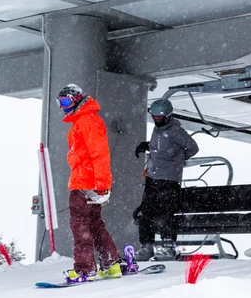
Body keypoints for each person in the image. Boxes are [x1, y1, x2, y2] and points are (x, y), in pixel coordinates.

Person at [56, 84, 122, 283]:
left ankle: (85, 269)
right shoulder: (84, 120)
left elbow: (99, 153)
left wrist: (102, 184)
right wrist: (101, 184)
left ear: (75, 99)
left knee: (80, 225)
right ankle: (111, 264)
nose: (62, 107)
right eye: (59, 103)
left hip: (84, 183)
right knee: (94, 224)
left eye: (65, 101)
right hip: (88, 181)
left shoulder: (86, 120)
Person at [133, 98, 199, 261]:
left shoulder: (176, 131)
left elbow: (192, 147)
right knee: (146, 213)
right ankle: (146, 246)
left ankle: (168, 246)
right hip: (152, 177)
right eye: (154, 117)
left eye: (160, 118)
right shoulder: (157, 130)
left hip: (168, 180)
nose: (156, 120)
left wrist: (176, 159)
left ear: (168, 116)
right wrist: (147, 146)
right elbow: (160, 146)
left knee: (165, 213)